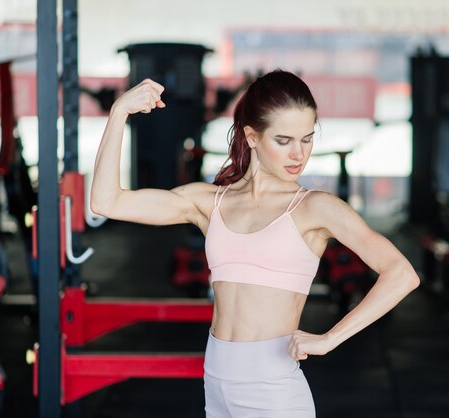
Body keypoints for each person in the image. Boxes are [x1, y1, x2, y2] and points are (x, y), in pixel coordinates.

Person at [91, 69, 419, 418]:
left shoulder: (314, 208)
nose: (299, 154)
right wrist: (119, 112)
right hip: (216, 380)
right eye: (284, 140)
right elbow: (106, 202)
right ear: (251, 136)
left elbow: (402, 274)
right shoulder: (210, 202)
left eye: (307, 139)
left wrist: (330, 338)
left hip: (273, 390)